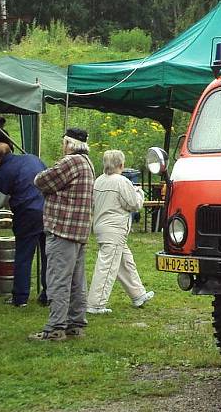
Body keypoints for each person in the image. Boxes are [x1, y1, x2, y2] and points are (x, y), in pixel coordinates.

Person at [30, 128, 95, 341]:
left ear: (69, 144)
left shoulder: (70, 162)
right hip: (78, 230)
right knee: (76, 282)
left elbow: (41, 181)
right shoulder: (87, 163)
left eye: (63, 143)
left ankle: (55, 328)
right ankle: (75, 325)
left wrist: (52, 188)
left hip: (62, 229)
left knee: (58, 279)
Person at [0, 141, 48, 307]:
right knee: (48, 256)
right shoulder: (33, 159)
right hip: (48, 210)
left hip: (26, 214)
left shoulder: (5, 171)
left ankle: (20, 298)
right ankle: (48, 295)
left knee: (24, 256)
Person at [87, 150, 154, 314]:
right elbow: (133, 204)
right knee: (107, 266)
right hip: (115, 229)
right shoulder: (121, 181)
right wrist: (139, 193)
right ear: (121, 165)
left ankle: (138, 294)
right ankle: (95, 304)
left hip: (102, 226)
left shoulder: (99, 181)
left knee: (125, 262)